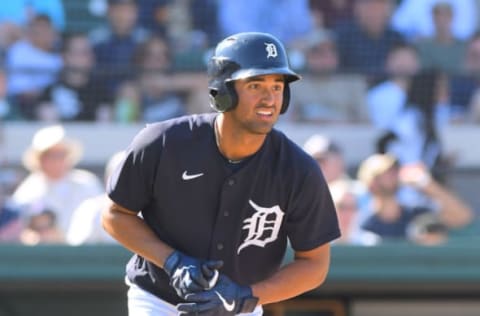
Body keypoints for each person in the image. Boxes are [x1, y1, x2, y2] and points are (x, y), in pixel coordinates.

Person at [102, 32, 340, 316]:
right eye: (255, 84)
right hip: (158, 299)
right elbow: (115, 215)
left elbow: (314, 264)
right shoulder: (163, 142)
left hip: (239, 306)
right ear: (223, 92)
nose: (269, 98)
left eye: (277, 86)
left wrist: (246, 296)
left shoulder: (298, 169)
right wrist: (172, 261)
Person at [356, 153, 473, 242]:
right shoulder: (363, 222)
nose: (393, 176)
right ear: (371, 182)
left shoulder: (416, 214)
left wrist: (425, 183)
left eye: (394, 171)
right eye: (385, 173)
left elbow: (463, 217)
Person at [12, 125, 103, 235]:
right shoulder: (27, 191)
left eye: (61, 154)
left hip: (86, 251)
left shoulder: (87, 183)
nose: (57, 160)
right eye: (51, 155)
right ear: (40, 159)